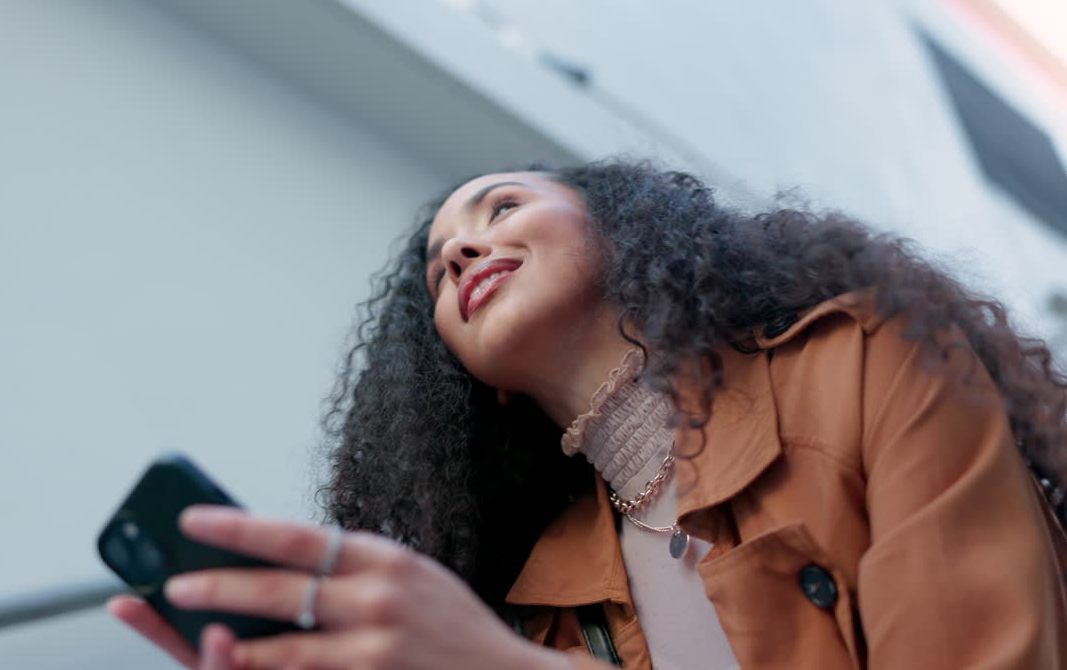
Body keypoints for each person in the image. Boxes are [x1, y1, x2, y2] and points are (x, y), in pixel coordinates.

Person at [108, 161, 1067, 669]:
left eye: (500, 206)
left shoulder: (863, 361)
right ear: (481, 382)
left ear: (625, 229)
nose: (460, 252)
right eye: (440, 266)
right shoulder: (539, 605)